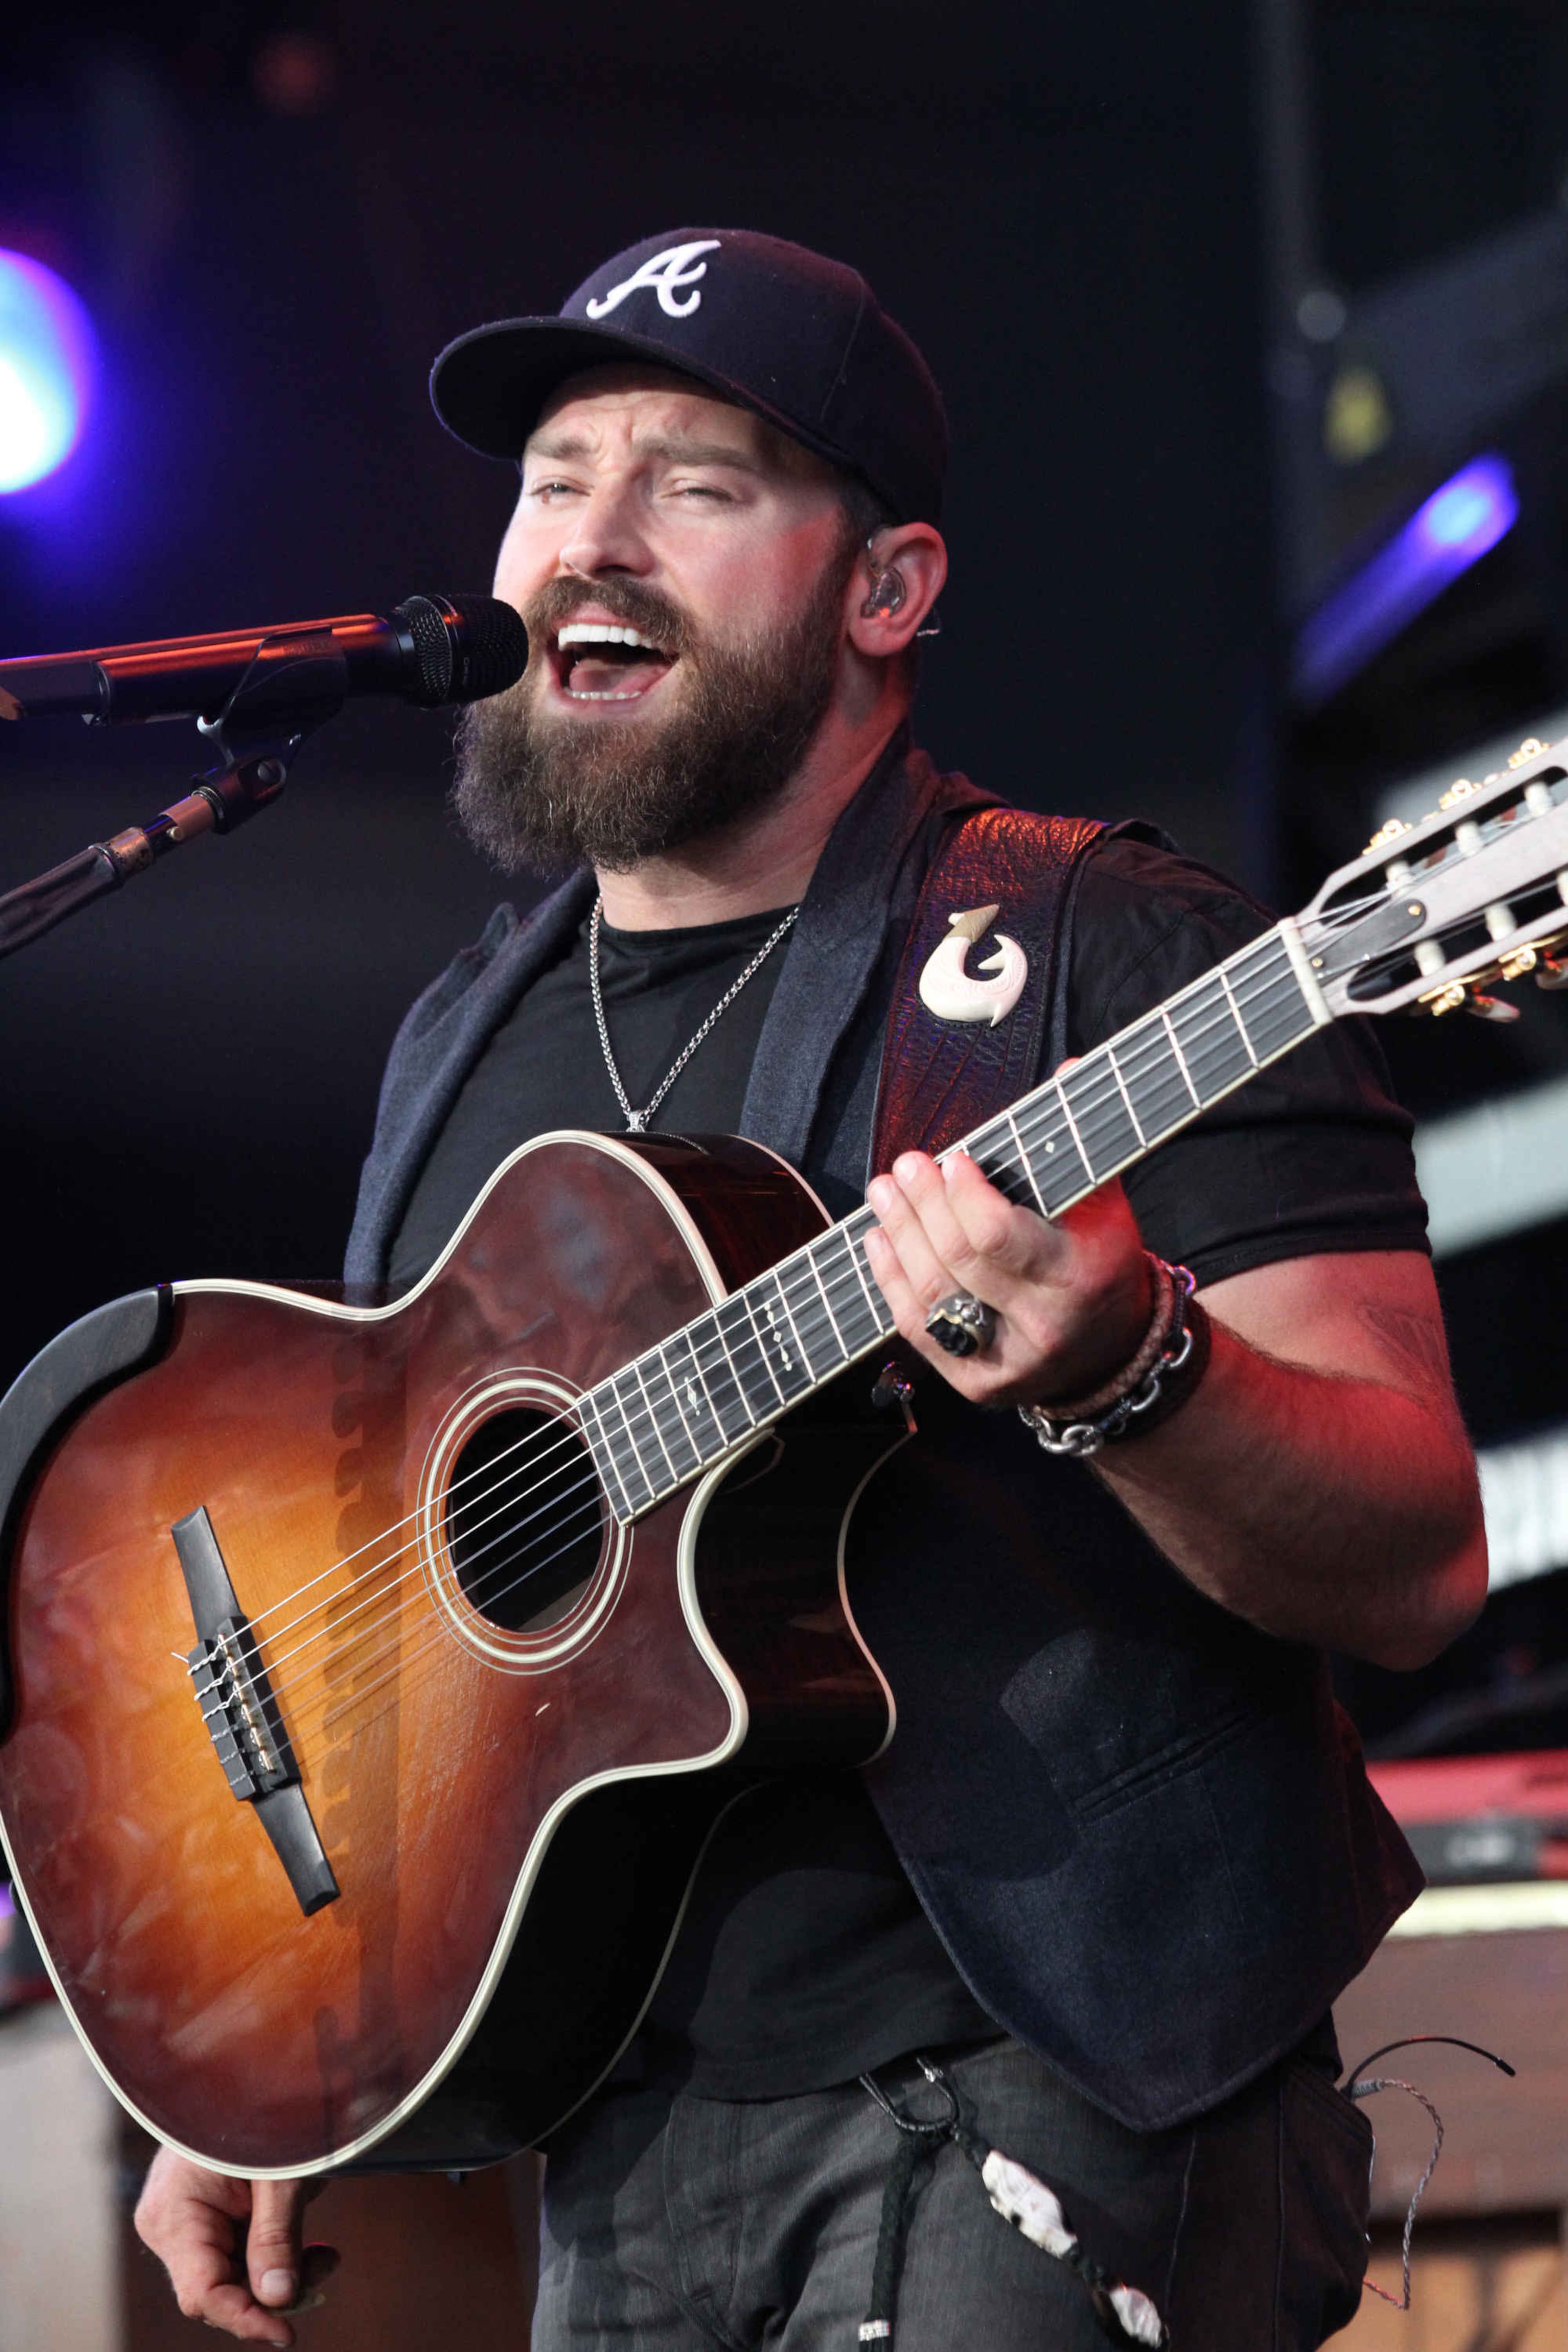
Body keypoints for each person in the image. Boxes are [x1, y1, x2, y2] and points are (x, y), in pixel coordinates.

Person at [134, 228, 1487, 2349]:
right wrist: (264, 2033)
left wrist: (1138, 1366)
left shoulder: (1108, 958)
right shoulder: (460, 1042)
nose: (591, 541)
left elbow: (1414, 1556)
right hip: (624, 2144)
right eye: (559, 476)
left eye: (696, 481)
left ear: (888, 589)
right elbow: (407, 1598)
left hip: (1044, 2095)